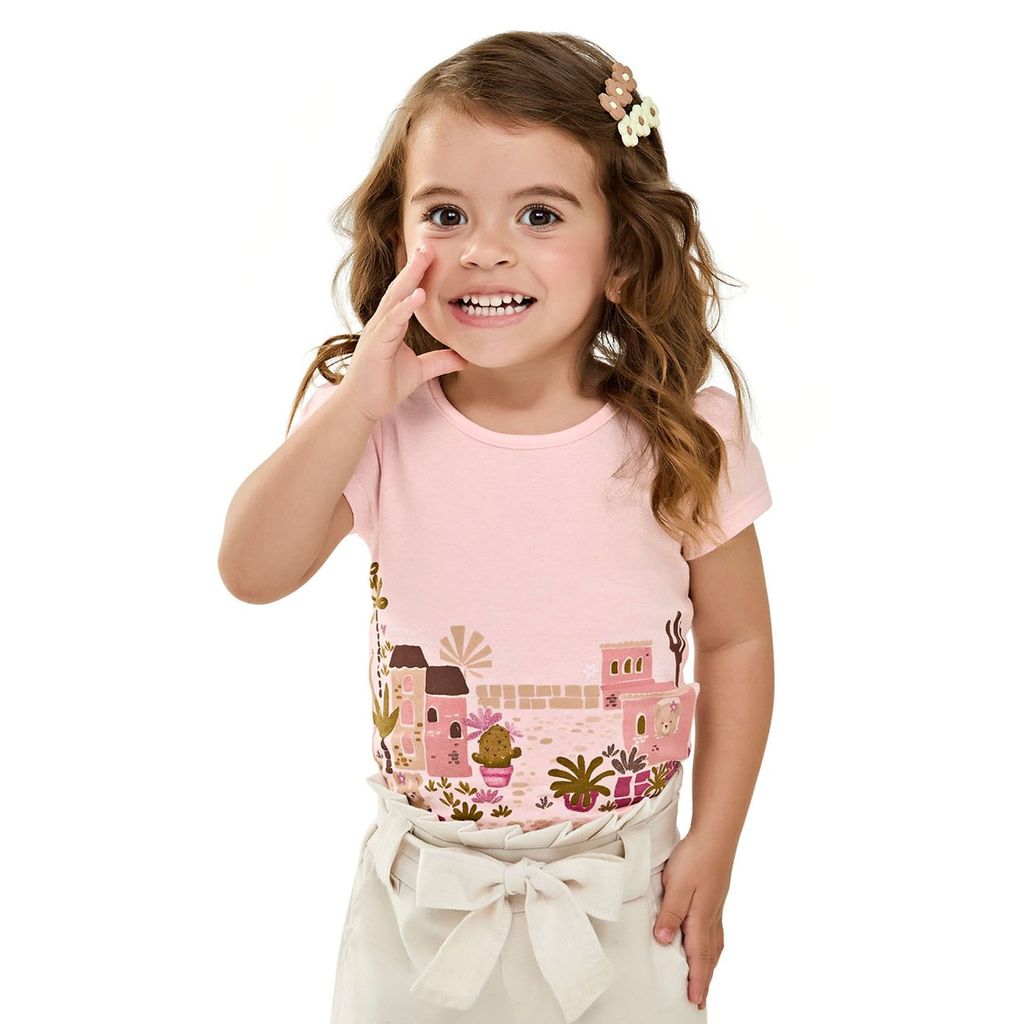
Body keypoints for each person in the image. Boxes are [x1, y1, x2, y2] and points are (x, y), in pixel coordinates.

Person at [219, 31, 774, 1024]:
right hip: (422, 903)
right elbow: (251, 570)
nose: (484, 248)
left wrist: (715, 841)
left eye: (539, 214)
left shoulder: (682, 437)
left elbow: (736, 640)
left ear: (621, 253)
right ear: (399, 239)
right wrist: (355, 407)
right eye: (446, 214)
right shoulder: (376, 426)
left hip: (626, 894)